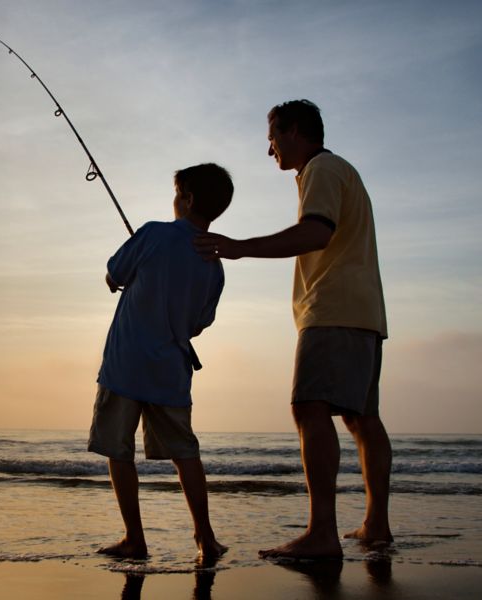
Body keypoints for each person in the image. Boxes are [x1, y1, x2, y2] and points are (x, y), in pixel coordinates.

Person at [194, 100, 392, 560]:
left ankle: (322, 532)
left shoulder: (321, 168)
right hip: (364, 312)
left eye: (272, 138)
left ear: (295, 132)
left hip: (332, 308)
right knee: (362, 418)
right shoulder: (342, 170)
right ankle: (376, 525)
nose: (270, 151)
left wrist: (239, 247)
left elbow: (315, 233)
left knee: (308, 408)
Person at [88, 162, 233, 562]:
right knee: (185, 453)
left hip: (125, 365)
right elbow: (200, 323)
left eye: (176, 194)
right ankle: (205, 537)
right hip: (171, 370)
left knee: (120, 451)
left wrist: (125, 279)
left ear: (186, 199)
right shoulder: (214, 265)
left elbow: (113, 273)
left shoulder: (153, 233)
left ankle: (134, 538)